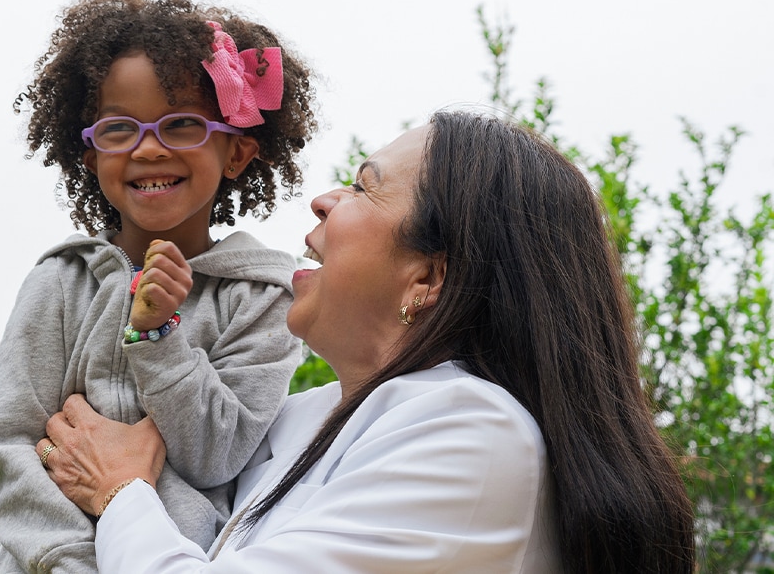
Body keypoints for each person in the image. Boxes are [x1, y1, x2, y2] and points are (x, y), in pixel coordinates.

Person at [40, 111, 697, 573]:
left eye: (362, 185)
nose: (324, 200)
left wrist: (121, 490)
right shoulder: (296, 419)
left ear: (429, 275)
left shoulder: (473, 432)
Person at [0, 0, 320, 573]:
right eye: (119, 128)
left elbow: (218, 455)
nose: (150, 147)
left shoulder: (265, 297)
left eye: (182, 124)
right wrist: (70, 562)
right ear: (89, 156)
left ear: (236, 152)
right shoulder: (60, 281)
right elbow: (10, 442)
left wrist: (160, 340)